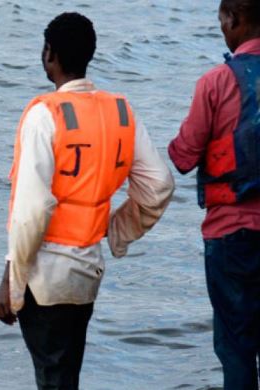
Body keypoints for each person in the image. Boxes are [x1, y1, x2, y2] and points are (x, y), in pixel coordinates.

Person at [0, 12, 174, 389]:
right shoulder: (121, 111)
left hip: (45, 275)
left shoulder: (44, 114)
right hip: (88, 270)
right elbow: (158, 186)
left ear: (49, 55)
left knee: (53, 379)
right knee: (65, 375)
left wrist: (11, 283)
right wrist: (116, 230)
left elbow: (32, 211)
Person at [168, 1, 260, 387]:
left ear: (234, 19)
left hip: (231, 234)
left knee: (236, 348)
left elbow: (183, 156)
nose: (221, 28)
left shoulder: (215, 82)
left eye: (222, 21)